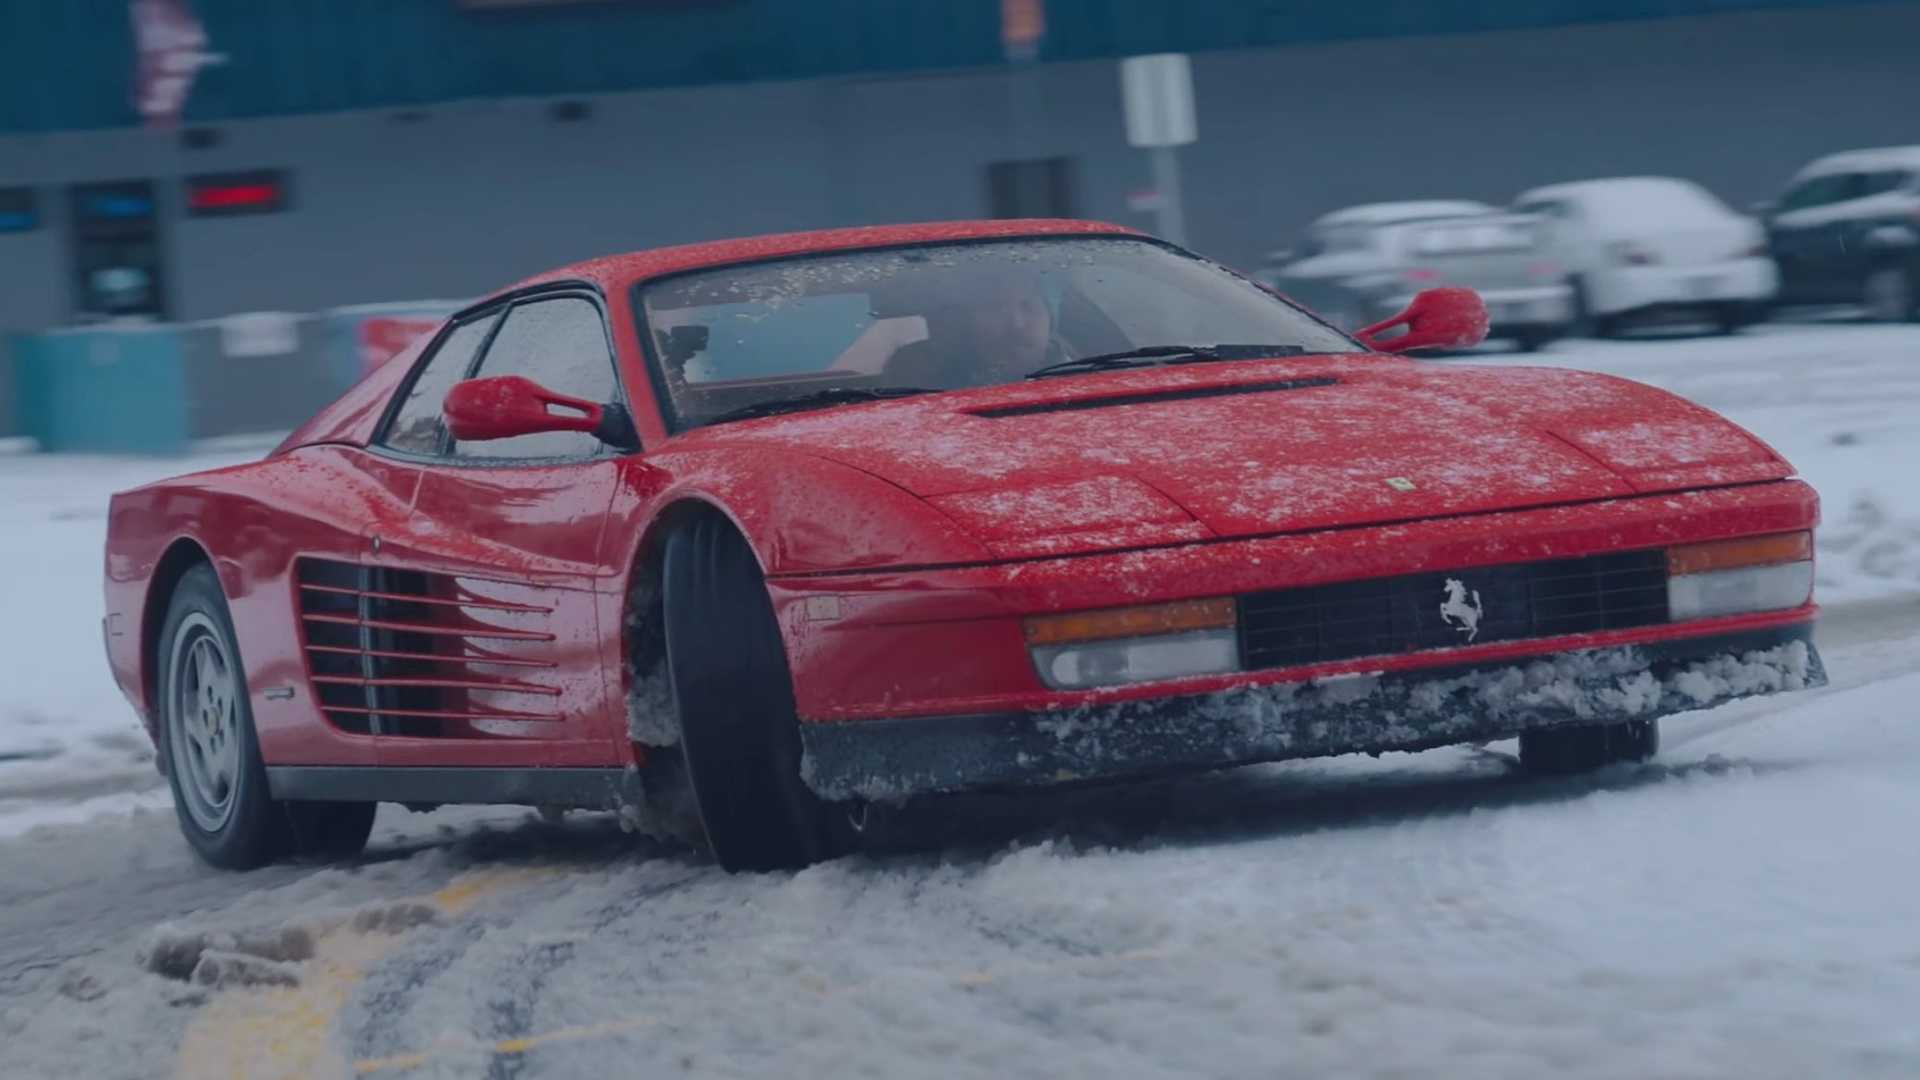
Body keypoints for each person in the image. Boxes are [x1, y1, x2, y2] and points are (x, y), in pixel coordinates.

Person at [883, 268, 1062, 389]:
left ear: (1051, 318)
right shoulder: (939, 387)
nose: (1016, 323)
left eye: (1028, 306)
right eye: (995, 308)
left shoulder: (1086, 375)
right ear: (969, 324)